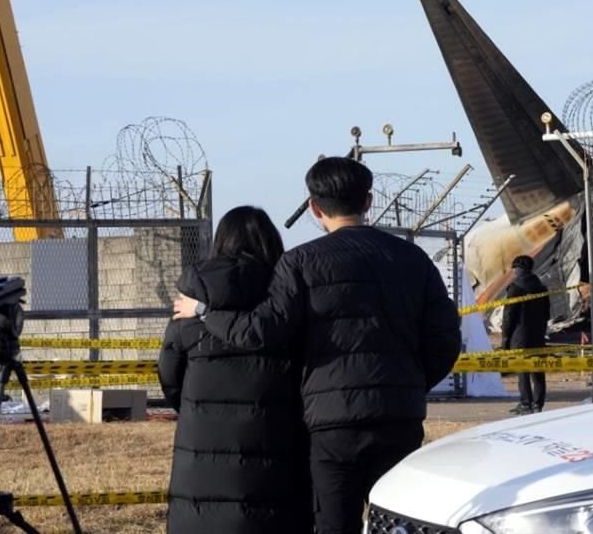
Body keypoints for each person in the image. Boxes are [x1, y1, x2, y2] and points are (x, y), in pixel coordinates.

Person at [173, 156, 461, 534]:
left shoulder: (301, 262)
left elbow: (261, 332)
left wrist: (207, 312)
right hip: (399, 415)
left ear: (314, 207)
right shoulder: (413, 259)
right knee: (396, 522)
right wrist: (409, 382)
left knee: (332, 522)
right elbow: (445, 338)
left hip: (332, 422)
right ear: (368, 201)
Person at [158, 206, 311, 534]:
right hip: (278, 440)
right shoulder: (287, 297)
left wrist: (195, 408)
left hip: (201, 446)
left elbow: (170, 374)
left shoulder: (190, 303)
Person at [500, 254, 550, 415]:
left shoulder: (515, 288)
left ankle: (526, 404)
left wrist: (505, 337)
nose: (513, 272)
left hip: (519, 336)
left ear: (518, 269)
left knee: (523, 371)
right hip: (538, 335)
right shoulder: (542, 288)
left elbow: (509, 316)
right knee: (538, 371)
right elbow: (547, 314)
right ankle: (538, 404)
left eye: (514, 269)